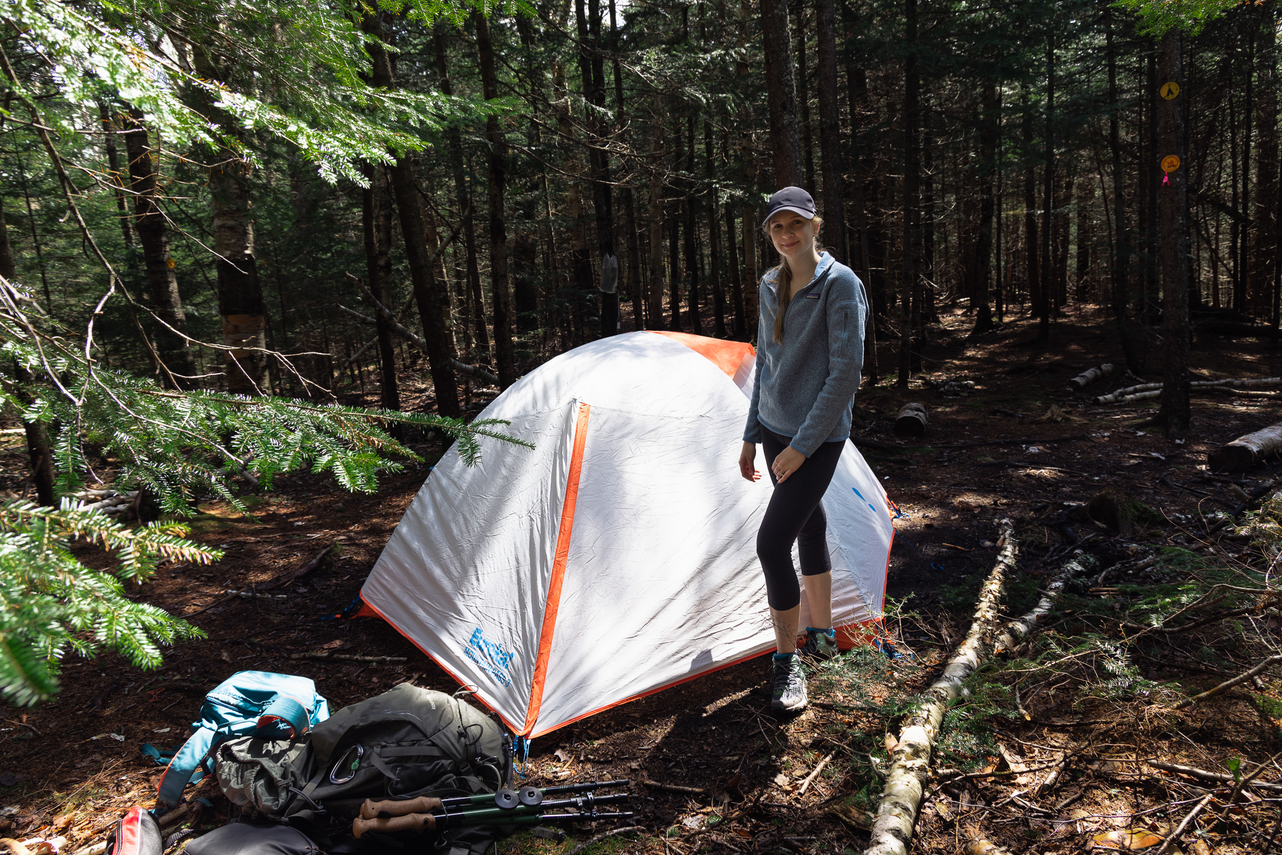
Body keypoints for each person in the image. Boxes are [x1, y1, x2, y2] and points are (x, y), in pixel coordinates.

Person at [738, 186, 867, 713]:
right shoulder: (772, 282)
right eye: (776, 228)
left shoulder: (841, 285)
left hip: (817, 437)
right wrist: (751, 434)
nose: (786, 235)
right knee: (809, 526)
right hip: (772, 429)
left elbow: (844, 375)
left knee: (771, 545)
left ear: (817, 225)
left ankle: (787, 666)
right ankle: (821, 635)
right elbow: (766, 364)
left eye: (795, 224)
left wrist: (802, 448)